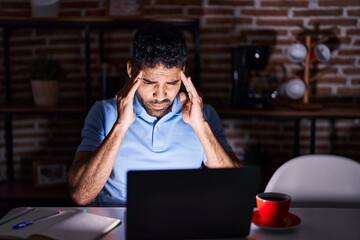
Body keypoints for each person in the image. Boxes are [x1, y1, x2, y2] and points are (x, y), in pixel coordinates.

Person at [68, 22, 241, 207]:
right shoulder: (103, 112)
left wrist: (200, 126)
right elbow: (81, 195)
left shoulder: (203, 114)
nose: (160, 95)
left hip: (181, 220)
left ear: (183, 73)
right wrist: (121, 125)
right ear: (131, 71)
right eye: (150, 82)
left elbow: (236, 187)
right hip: (119, 221)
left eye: (172, 83)